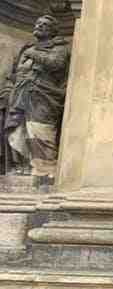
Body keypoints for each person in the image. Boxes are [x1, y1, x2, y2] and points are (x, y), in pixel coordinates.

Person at [3, 14, 71, 175]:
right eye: (38, 23)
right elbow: (15, 73)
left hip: (44, 96)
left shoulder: (59, 48)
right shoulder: (27, 49)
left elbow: (56, 64)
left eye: (44, 25)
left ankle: (45, 169)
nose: (39, 26)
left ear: (53, 31)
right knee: (20, 131)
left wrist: (33, 54)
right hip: (21, 96)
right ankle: (24, 166)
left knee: (41, 129)